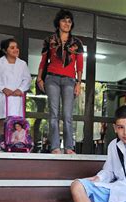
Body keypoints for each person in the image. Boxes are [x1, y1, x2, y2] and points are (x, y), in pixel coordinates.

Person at [36, 9, 84, 154]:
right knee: (53, 113)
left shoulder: (76, 42)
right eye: (64, 20)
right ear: (58, 23)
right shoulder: (50, 40)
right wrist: (39, 78)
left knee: (68, 115)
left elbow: (79, 64)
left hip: (70, 80)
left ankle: (69, 147)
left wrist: (78, 83)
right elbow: (44, 61)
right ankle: (55, 147)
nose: (67, 23)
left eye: (69, 21)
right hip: (52, 78)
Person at [0, 38, 31, 141]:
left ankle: (15, 144)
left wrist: (20, 89)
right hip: (3, 96)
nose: (16, 49)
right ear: (5, 50)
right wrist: (3, 88)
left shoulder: (22, 64)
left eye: (16, 47)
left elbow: (27, 79)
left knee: (16, 123)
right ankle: (3, 143)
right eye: (12, 48)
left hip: (17, 97)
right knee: (3, 121)